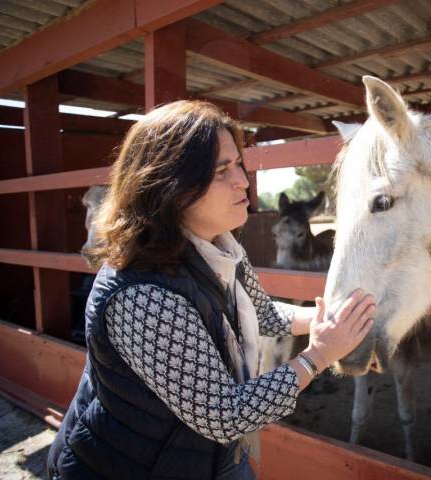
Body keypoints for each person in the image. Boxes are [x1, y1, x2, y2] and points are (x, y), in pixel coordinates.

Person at [46, 100, 375, 480]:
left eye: (238, 164)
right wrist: (317, 356)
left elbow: (262, 313)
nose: (243, 181)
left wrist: (328, 317)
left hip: (206, 458)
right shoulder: (140, 294)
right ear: (171, 184)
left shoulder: (220, 248)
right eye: (222, 170)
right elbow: (225, 416)